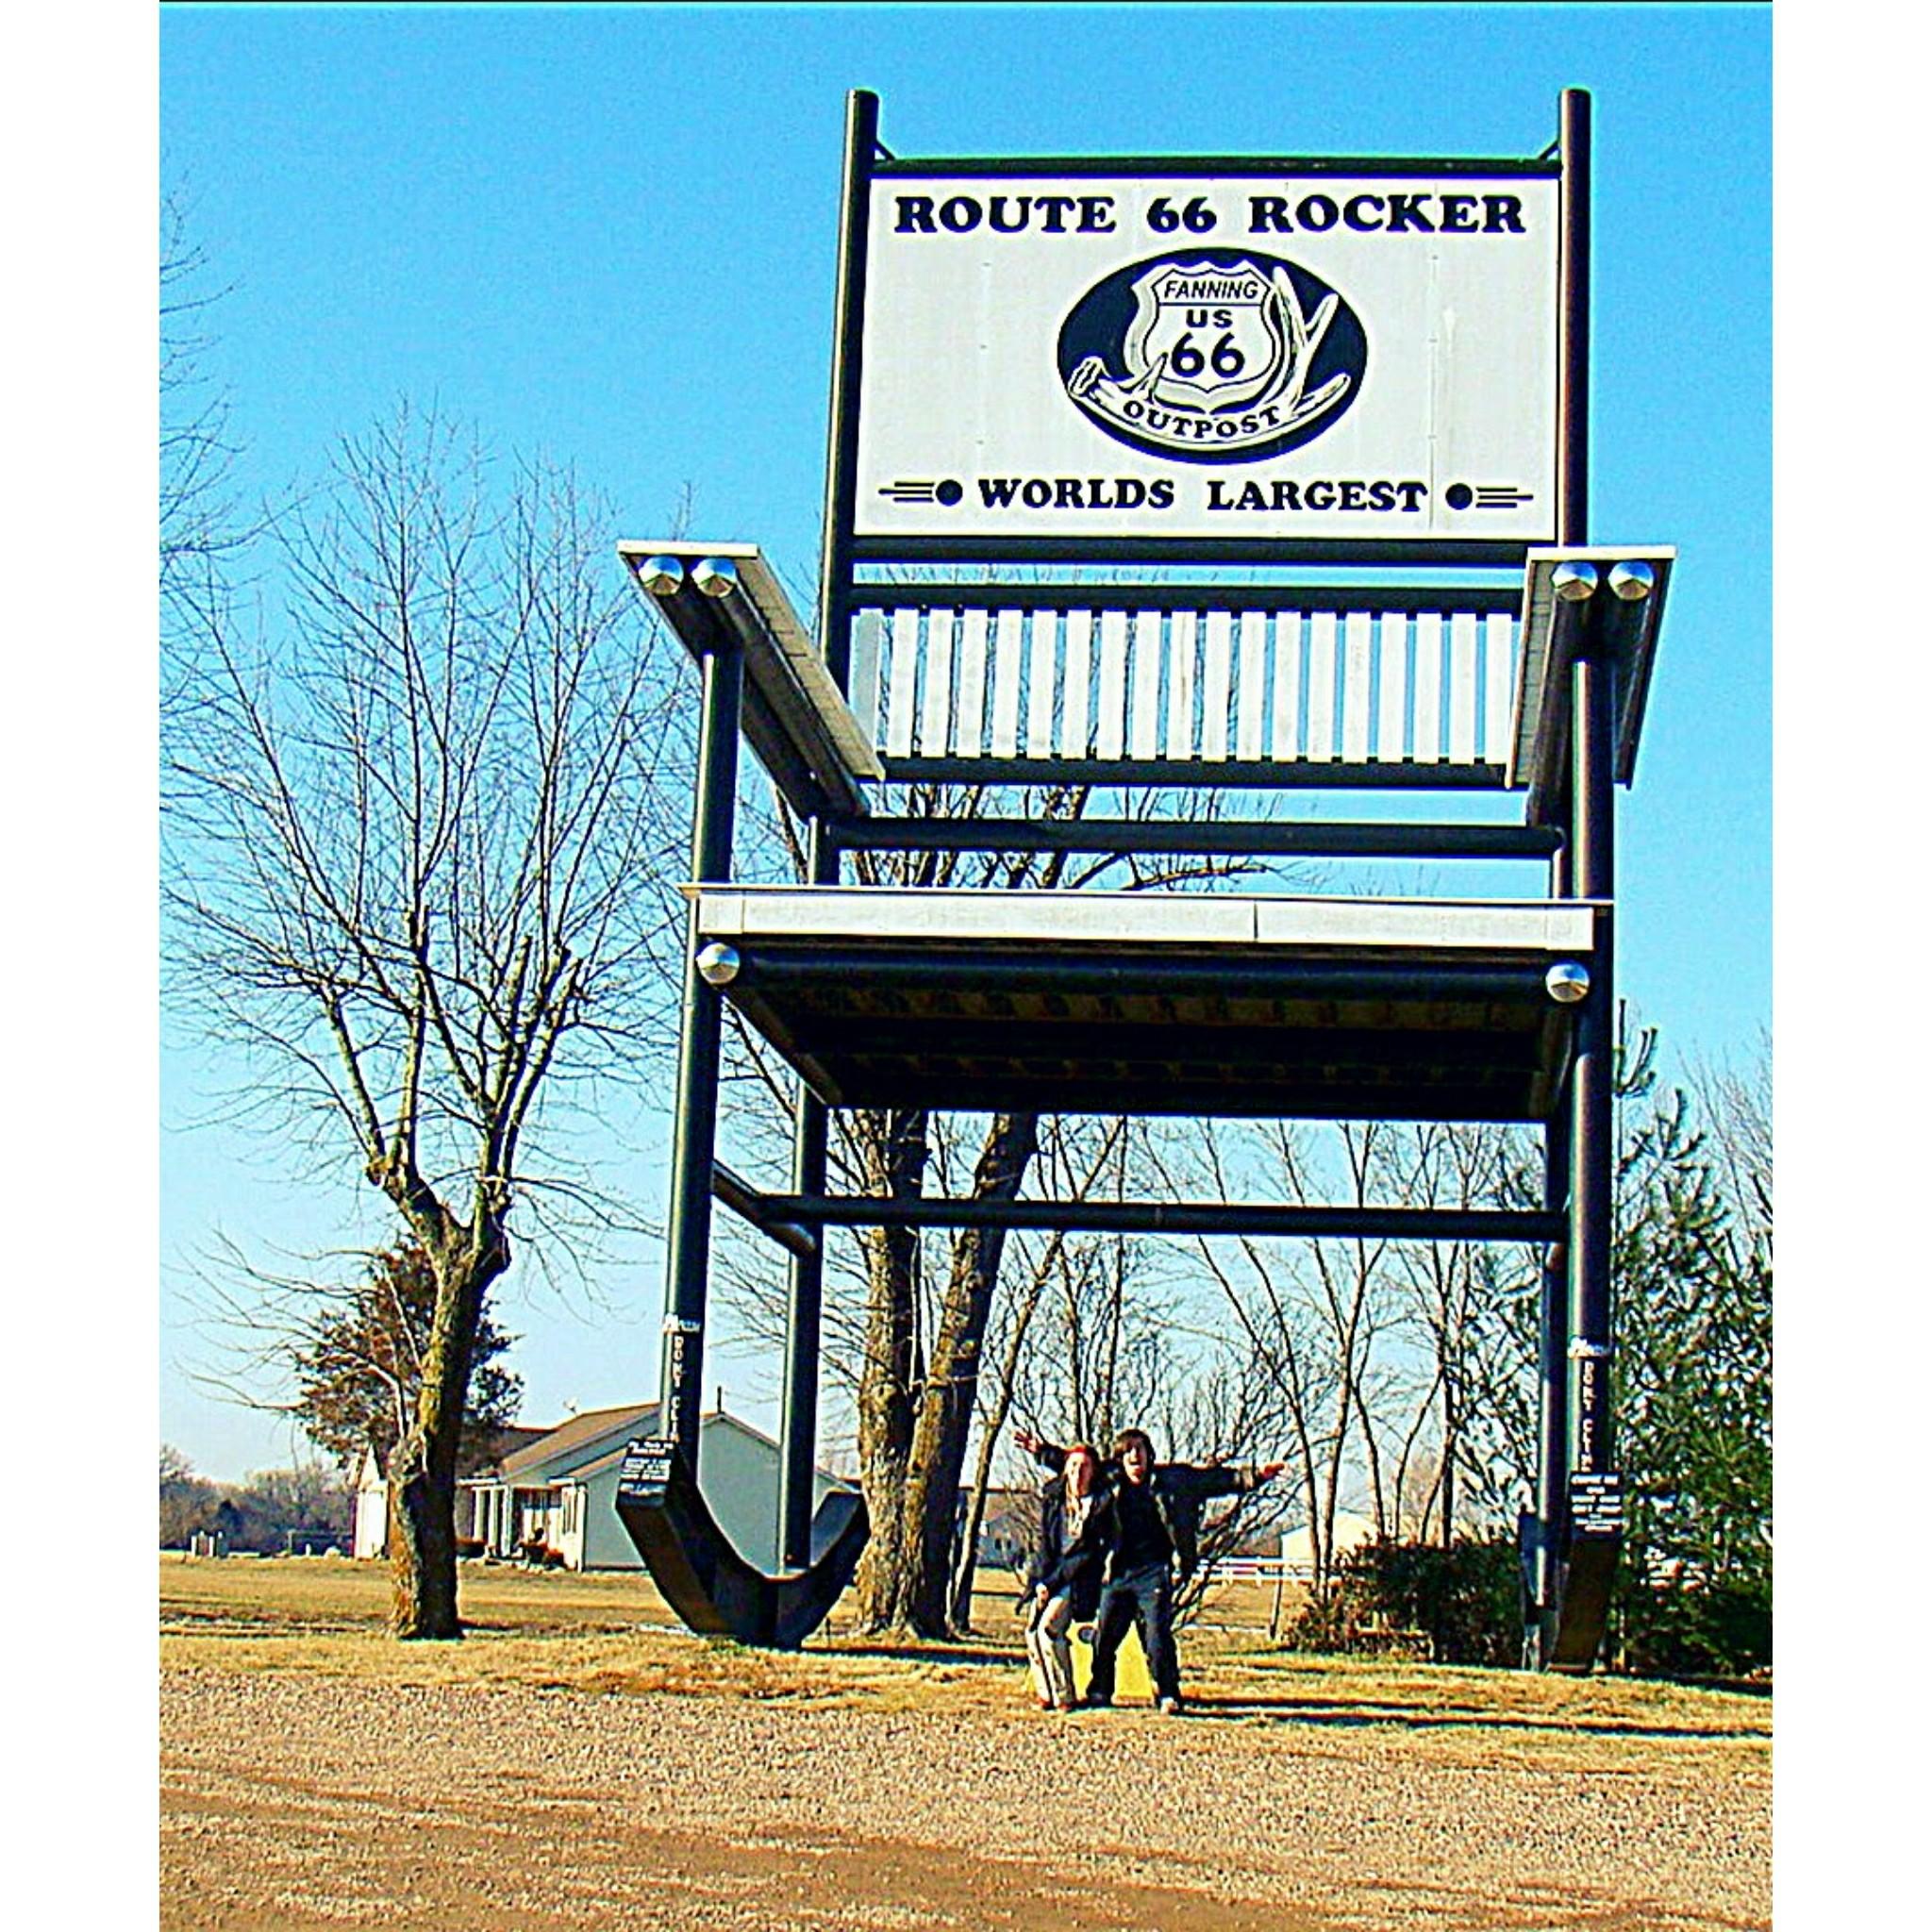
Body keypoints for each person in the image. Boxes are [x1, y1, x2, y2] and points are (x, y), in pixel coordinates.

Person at [1015, 1424, 1283, 1715]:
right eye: (1127, 1451)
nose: (1134, 1456)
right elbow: (1079, 1464)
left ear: (1149, 1454)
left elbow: (1214, 1480)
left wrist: (1254, 1476)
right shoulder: (1111, 1480)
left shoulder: (1172, 1480)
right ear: (1120, 1458)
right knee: (1104, 1637)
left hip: (1154, 1570)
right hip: (1117, 1570)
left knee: (1157, 1636)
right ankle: (1100, 1691)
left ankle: (1168, 1693)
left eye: (1139, 1450)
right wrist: (1042, 1452)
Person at [1020, 1441, 1110, 1712]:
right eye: (1072, 1466)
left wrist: (1052, 1583)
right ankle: (1045, 1693)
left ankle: (1064, 1695)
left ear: (1093, 1472)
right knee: (1032, 1632)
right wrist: (1038, 1583)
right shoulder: (1054, 1501)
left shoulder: (1102, 1506)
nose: (1077, 1473)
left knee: (1050, 1628)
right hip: (1049, 1577)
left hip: (1078, 1580)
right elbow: (1046, 1545)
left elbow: (1087, 1555)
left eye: (1084, 1467)